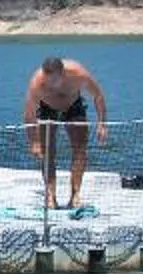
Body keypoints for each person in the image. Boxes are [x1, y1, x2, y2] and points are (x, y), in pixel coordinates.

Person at [22, 54, 110, 209]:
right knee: (47, 152)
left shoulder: (78, 74)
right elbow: (29, 113)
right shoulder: (37, 83)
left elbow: (98, 96)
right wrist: (33, 142)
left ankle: (75, 195)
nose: (51, 85)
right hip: (48, 109)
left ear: (63, 74)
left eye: (54, 80)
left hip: (73, 107)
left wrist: (102, 124)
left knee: (80, 150)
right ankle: (50, 196)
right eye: (48, 80)